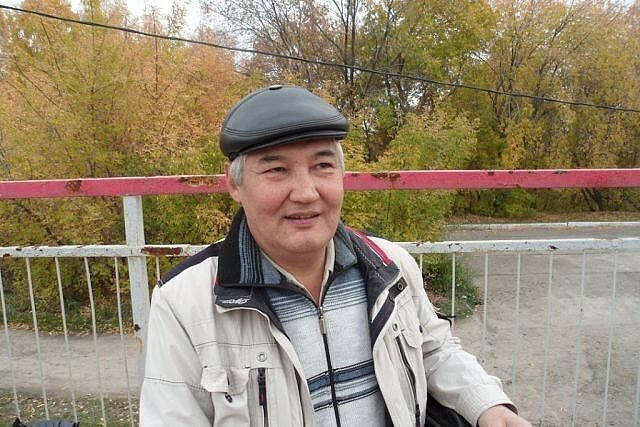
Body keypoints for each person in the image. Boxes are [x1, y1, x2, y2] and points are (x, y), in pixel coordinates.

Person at [139, 84, 531, 427]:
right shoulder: (185, 302)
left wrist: (488, 406)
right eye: (276, 170)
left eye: (322, 166)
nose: (305, 192)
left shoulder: (389, 266)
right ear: (235, 185)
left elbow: (434, 350)